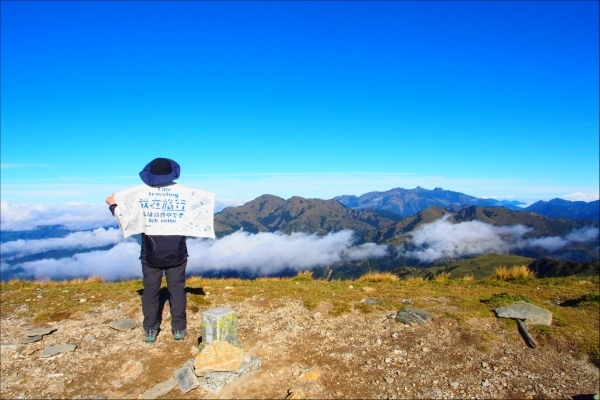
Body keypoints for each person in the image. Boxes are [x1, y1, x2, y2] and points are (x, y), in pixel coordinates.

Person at [106, 158, 188, 343]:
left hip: (151, 253)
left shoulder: (141, 196)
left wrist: (113, 205)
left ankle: (151, 329)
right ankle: (179, 329)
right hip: (177, 251)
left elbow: (127, 221)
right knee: (177, 290)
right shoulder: (184, 194)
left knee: (151, 290)